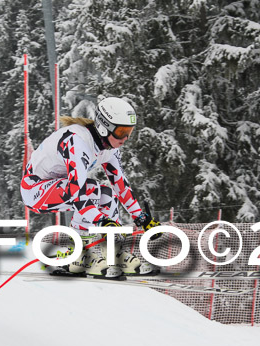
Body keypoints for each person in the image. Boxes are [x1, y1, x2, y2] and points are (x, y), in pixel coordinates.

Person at [20, 97, 161, 278]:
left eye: (129, 132)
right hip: (35, 189)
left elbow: (121, 185)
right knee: (91, 189)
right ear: (104, 127)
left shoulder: (109, 147)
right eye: (121, 132)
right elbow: (76, 191)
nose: (125, 139)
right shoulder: (77, 142)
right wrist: (101, 221)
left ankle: (113, 254)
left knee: (107, 194)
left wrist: (141, 217)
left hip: (62, 186)